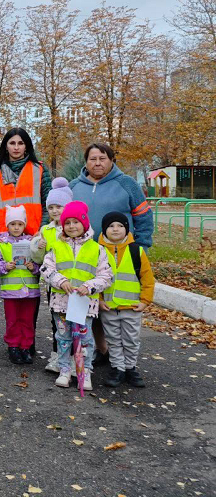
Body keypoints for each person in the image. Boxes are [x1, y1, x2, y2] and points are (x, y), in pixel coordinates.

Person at [69, 142, 154, 367]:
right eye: (93, 159)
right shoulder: (74, 186)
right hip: (86, 257)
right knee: (94, 305)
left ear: (111, 160)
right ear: (85, 161)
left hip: (122, 256)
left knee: (118, 308)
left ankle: (125, 359)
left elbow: (144, 216)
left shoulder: (127, 184)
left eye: (103, 158)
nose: (97, 163)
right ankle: (102, 349)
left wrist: (142, 247)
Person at [39, 201, 113, 390]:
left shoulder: (97, 249)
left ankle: (83, 371)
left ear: (84, 223)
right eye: (68, 223)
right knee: (63, 338)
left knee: (84, 339)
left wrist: (89, 286)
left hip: (84, 304)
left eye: (76, 222)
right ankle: (65, 370)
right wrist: (60, 281)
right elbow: (46, 269)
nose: (72, 226)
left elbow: (107, 275)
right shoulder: (56, 247)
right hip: (61, 303)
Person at [98, 211, 155, 388]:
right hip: (108, 307)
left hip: (131, 308)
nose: (115, 229)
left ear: (127, 229)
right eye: (111, 226)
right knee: (113, 340)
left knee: (131, 339)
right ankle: (118, 368)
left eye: (120, 226)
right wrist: (98, 300)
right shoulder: (97, 251)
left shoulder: (136, 250)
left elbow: (147, 278)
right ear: (104, 230)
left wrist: (145, 301)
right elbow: (92, 276)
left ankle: (130, 367)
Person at [30, 177, 74, 373]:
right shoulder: (45, 230)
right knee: (57, 320)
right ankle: (58, 355)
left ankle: (75, 358)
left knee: (77, 320)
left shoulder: (74, 226)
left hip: (75, 282)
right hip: (53, 284)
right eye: (52, 207)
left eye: (59, 206)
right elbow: (39, 257)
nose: (55, 211)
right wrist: (37, 247)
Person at [0, 205, 40, 365]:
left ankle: (25, 347)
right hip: (11, 292)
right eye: (13, 224)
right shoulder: (2, 244)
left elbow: (41, 261)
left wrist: (34, 268)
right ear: (7, 225)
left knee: (27, 320)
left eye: (19, 224)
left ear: (24, 225)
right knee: (12, 320)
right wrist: (5, 266)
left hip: (29, 291)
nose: (16, 227)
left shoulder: (32, 242)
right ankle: (13, 346)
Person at [0, 128, 52, 242]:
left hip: (34, 236)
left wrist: (43, 228)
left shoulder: (39, 169)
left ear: (26, 146)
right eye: (12, 143)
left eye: (20, 143)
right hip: (3, 237)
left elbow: (48, 202)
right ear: (6, 146)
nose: (16, 147)